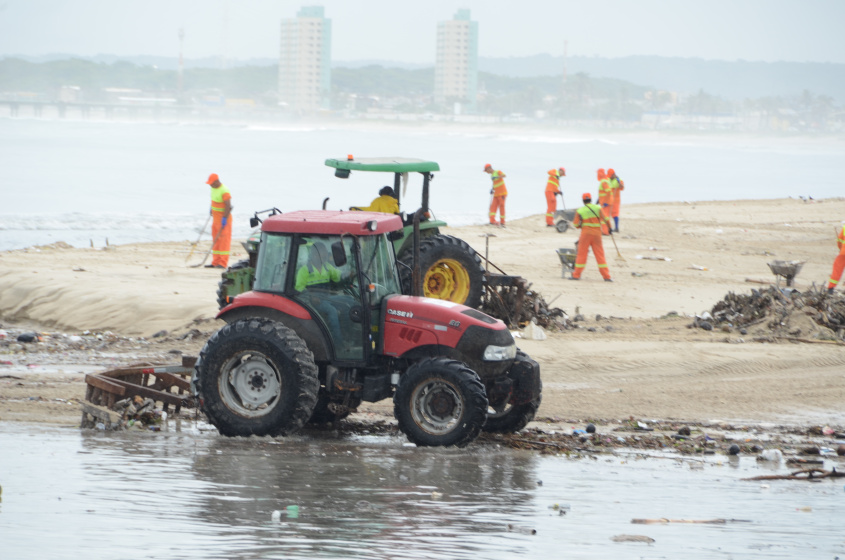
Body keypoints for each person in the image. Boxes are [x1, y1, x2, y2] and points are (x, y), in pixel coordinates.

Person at [570, 192, 613, 282]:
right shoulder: (598, 208)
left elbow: (575, 224)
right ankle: (606, 276)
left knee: (582, 255)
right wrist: (610, 228)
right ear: (591, 199)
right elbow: (606, 219)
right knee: (600, 255)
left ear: (583, 201)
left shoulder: (580, 211)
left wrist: (581, 225)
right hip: (597, 234)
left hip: (585, 234)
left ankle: (576, 275)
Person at [205, 173, 232, 269]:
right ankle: (215, 262)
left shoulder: (224, 190)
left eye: (211, 183)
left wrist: (224, 219)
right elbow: (213, 199)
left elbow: (228, 206)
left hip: (224, 220)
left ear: (217, 181)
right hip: (215, 220)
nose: (210, 185)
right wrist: (211, 209)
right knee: (216, 241)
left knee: (224, 241)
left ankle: (223, 263)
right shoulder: (213, 188)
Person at [826, 223, 845, 295]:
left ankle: (830, 289)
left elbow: (839, 240)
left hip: (843, 253)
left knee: (837, 270)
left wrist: (841, 249)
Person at [607, 168, 624, 233]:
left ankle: (616, 228)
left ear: (614, 174)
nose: (610, 177)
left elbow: (622, 187)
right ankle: (608, 227)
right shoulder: (608, 179)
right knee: (607, 213)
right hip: (609, 199)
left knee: (615, 213)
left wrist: (619, 183)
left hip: (615, 199)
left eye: (610, 175)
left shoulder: (619, 180)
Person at [596, 168, 612, 235]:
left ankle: (605, 232)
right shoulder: (606, 180)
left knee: (604, 218)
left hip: (606, 203)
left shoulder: (604, 182)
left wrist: (606, 202)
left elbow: (608, 192)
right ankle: (605, 231)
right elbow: (603, 193)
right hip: (605, 202)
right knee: (604, 217)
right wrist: (598, 200)